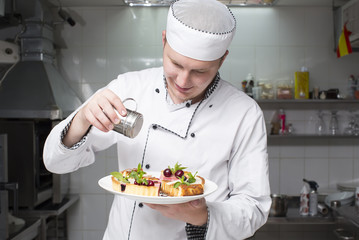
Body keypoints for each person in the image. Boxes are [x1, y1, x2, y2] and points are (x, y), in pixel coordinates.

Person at [43, 0, 271, 239]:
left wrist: (201, 217)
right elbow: (55, 162)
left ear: (222, 60)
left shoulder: (244, 113)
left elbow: (253, 208)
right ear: (164, 41)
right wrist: (81, 120)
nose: (183, 81)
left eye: (200, 71)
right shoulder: (130, 88)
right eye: (175, 64)